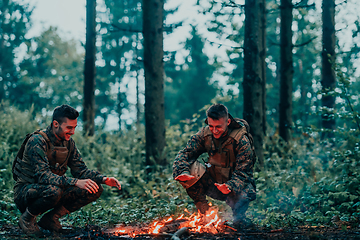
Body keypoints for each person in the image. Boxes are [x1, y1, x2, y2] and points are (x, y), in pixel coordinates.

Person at [12, 104, 121, 236]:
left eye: (74, 127)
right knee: (54, 191)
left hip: (52, 188)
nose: (73, 132)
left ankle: (51, 219)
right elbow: (43, 176)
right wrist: (75, 182)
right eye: (69, 127)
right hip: (26, 192)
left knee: (94, 187)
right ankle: (27, 218)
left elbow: (80, 170)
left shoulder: (68, 143)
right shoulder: (37, 141)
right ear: (56, 124)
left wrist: (103, 179)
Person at [173, 103, 256, 230]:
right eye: (211, 126)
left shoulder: (241, 140)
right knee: (191, 168)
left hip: (234, 186)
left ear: (228, 122)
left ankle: (239, 219)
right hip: (214, 183)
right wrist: (183, 171)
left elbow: (243, 173)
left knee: (245, 192)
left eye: (218, 127)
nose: (214, 130)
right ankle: (204, 215)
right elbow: (185, 153)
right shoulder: (205, 134)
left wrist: (230, 185)